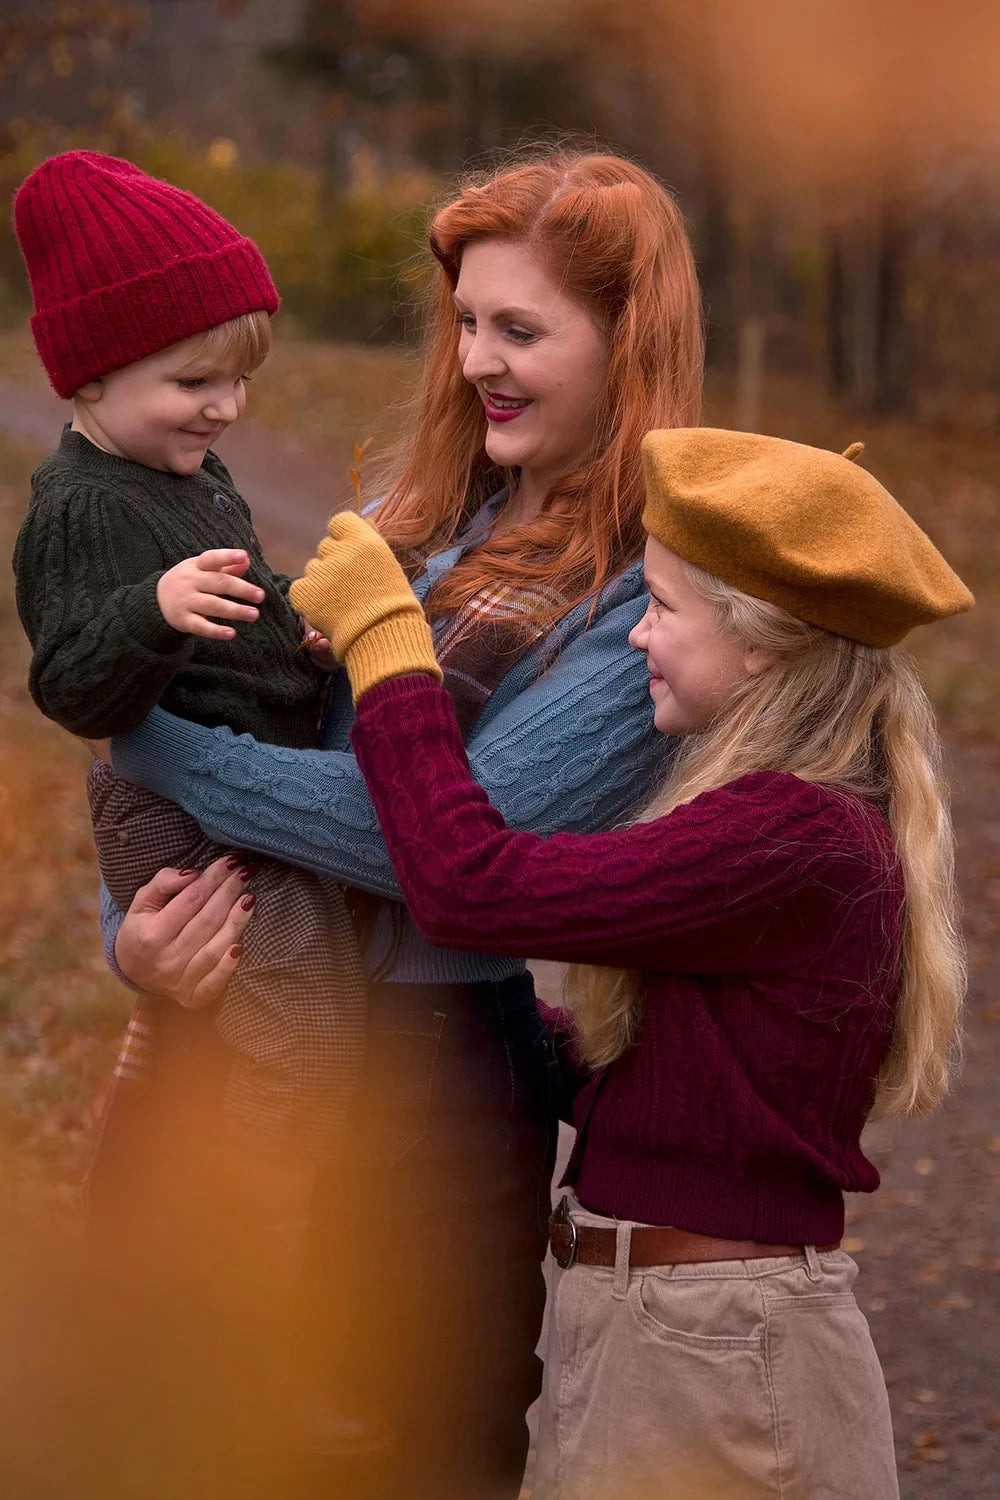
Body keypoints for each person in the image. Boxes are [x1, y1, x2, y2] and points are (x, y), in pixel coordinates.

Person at [99, 149, 704, 1499]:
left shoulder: (642, 606)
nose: (481, 357)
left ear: (628, 347)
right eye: (468, 321)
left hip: (429, 1094)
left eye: (524, 330)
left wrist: (151, 737)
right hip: (235, 1030)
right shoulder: (406, 522)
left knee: (412, 1454)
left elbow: (440, 855)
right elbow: (222, 760)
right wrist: (132, 940)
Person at [288, 427, 972, 1500]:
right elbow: (688, 1086)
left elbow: (473, 886)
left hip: (706, 1358)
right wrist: (484, 1028)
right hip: (667, 1335)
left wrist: (387, 639)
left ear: (756, 645)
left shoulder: (791, 835)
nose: (638, 638)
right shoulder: (791, 826)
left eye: (660, 607)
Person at [10, 150, 378, 1450]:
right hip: (182, 818)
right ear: (91, 377)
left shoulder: (190, 477)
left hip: (246, 791)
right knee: (294, 1041)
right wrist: (151, 615)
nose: (223, 408)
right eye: (192, 382)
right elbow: (68, 679)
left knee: (290, 1037)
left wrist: (302, 643)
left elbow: (251, 601)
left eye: (239, 381)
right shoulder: (79, 507)